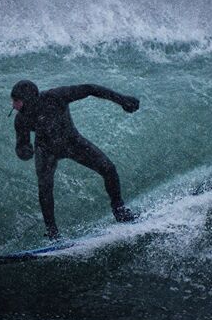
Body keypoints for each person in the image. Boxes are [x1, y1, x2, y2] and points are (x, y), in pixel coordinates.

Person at [10, 80, 139, 239]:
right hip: (46, 151)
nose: (14, 105)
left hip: (72, 143)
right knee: (45, 189)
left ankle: (120, 211)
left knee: (108, 168)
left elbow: (90, 88)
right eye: (13, 101)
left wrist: (122, 100)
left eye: (17, 101)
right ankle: (52, 232)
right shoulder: (21, 119)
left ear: (29, 99)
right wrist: (24, 152)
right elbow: (21, 145)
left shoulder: (55, 96)